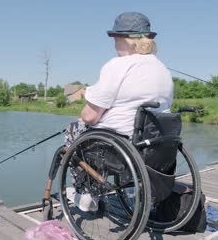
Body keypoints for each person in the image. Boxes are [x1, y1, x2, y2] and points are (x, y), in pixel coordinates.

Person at [63, 12, 174, 211]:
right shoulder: (163, 69)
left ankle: (86, 193)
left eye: (115, 37)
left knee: (74, 130)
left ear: (125, 39)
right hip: (153, 144)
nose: (113, 42)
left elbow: (89, 116)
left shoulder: (117, 65)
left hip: (120, 145)